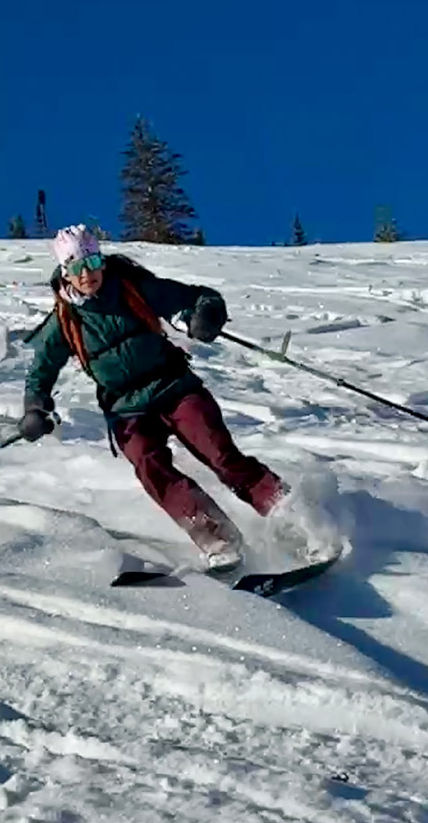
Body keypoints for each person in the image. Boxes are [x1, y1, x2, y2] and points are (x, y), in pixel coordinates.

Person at [19, 225, 285, 570]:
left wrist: (204, 316)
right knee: (151, 469)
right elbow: (40, 372)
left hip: (174, 387)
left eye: (93, 261)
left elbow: (198, 297)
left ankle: (291, 517)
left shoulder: (131, 286)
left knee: (219, 454)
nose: (87, 274)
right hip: (126, 409)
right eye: (76, 267)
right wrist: (35, 408)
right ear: (64, 272)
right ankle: (219, 540)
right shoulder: (64, 320)